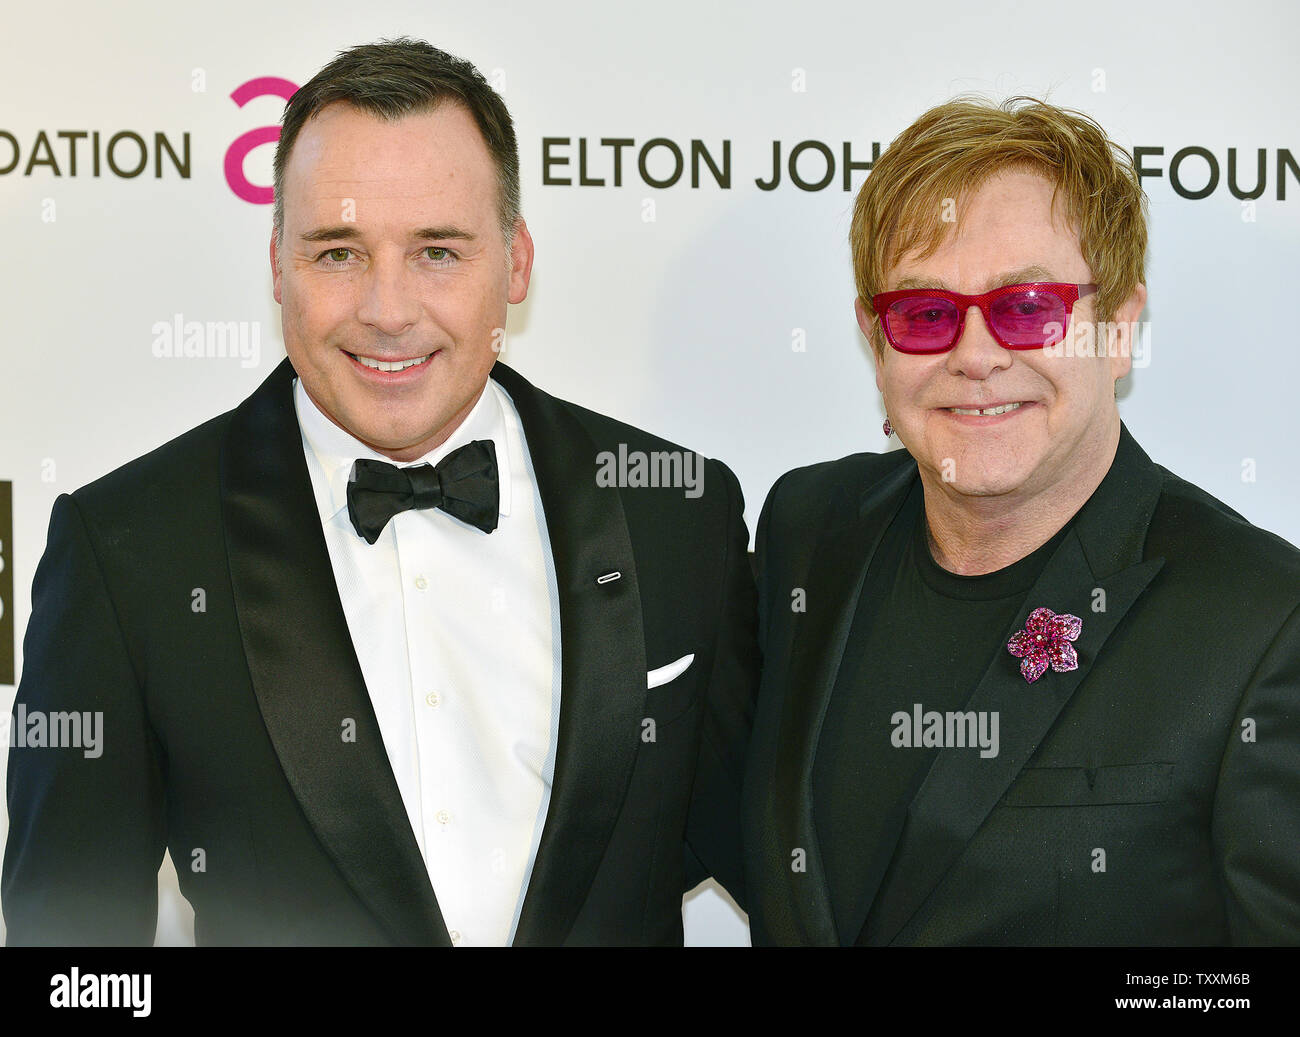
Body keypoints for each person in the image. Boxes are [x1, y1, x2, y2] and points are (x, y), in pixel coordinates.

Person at [3, 38, 757, 946]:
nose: (388, 309)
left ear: (515, 265)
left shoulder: (676, 511)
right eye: (338, 254)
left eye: (438, 251)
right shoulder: (129, 549)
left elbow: (778, 858)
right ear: (277, 263)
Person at [742, 96, 1300, 945]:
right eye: (926, 314)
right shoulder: (807, 530)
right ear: (875, 338)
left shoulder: (1263, 620)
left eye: (1026, 307)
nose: (975, 354)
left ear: (1118, 329)